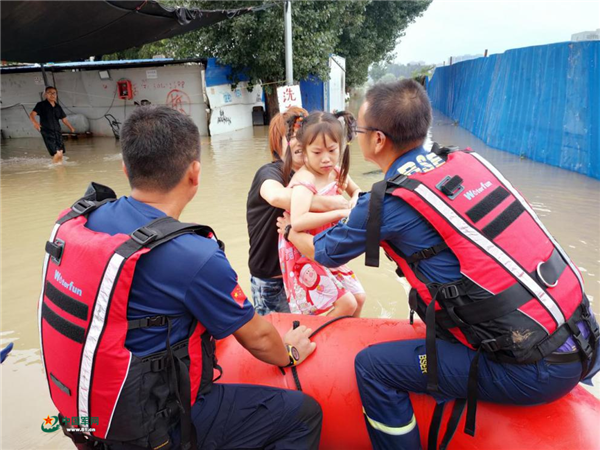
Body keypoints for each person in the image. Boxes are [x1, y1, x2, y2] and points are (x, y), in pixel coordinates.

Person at [278, 80, 599, 449]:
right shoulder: (466, 161)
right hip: (581, 341)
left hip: (531, 370)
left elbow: (322, 252)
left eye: (358, 131)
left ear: (378, 140)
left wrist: (289, 231)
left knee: (373, 368)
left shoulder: (389, 200)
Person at [39, 106, 322, 450]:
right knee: (303, 414)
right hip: (156, 429)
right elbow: (259, 338)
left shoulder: (81, 220)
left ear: (125, 168)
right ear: (195, 173)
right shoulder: (193, 254)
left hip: (83, 418)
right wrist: (290, 353)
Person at [246, 106, 349, 316]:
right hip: (273, 278)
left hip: (304, 266)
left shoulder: (316, 171)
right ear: (278, 143)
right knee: (281, 332)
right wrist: (334, 204)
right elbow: (276, 196)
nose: (300, 141)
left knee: (344, 305)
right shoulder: (270, 172)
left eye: (303, 134)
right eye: (292, 136)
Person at [279, 111, 366, 317]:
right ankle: (316, 333)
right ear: (304, 151)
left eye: (332, 150)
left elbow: (356, 191)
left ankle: (346, 334)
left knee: (359, 297)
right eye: (317, 152)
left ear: (341, 146)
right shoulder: (305, 179)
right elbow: (298, 221)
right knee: (347, 304)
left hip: (325, 242)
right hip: (302, 248)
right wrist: (340, 212)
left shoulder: (335, 171)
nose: (326, 159)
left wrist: (354, 200)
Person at [30, 86, 75, 164]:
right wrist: (35, 123)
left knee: (61, 153)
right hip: (47, 132)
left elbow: (64, 119)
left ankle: (59, 167)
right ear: (45, 95)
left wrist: (71, 128)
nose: (52, 95)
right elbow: (32, 114)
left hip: (57, 132)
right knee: (57, 153)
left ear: (56, 94)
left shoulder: (58, 107)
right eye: (49, 93)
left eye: (54, 93)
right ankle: (53, 167)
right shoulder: (41, 105)